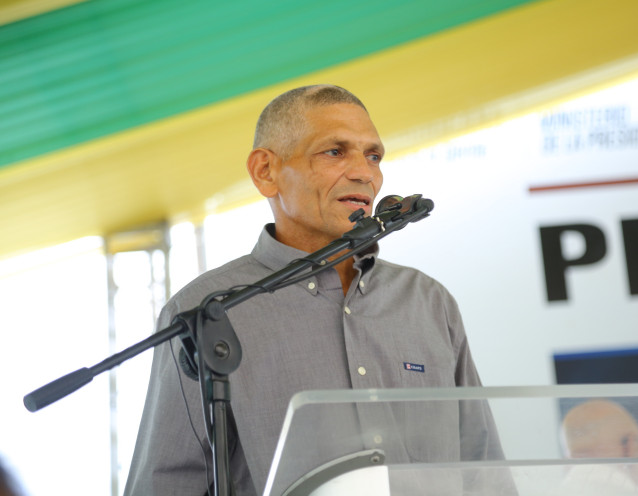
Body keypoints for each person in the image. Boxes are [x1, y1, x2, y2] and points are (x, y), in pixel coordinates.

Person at [124, 85, 501, 495]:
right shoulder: (207, 310)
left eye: (373, 156)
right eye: (335, 152)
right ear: (265, 171)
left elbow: (484, 469)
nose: (364, 173)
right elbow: (166, 484)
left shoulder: (428, 301)